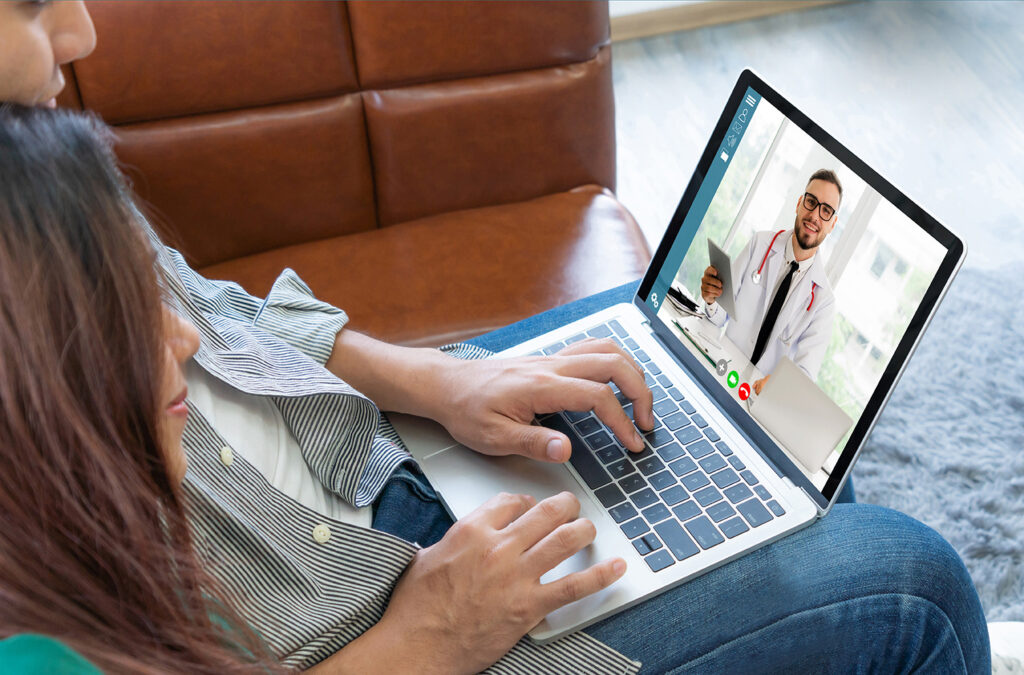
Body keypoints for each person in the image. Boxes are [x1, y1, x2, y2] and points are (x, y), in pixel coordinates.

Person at [0, 5, 992, 673]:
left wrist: (439, 383)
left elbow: (209, 312)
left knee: (763, 456)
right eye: (32, 2)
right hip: (387, 629)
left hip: (357, 448)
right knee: (921, 586)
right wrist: (422, 638)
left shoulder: (33, 162)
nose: (83, 33)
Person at [701, 170, 841, 394]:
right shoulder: (760, 243)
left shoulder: (824, 301)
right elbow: (719, 316)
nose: (815, 216)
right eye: (811, 202)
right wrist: (710, 300)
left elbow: (804, 374)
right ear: (798, 204)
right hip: (721, 369)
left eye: (825, 211)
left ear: (832, 224)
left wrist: (777, 385)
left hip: (756, 397)